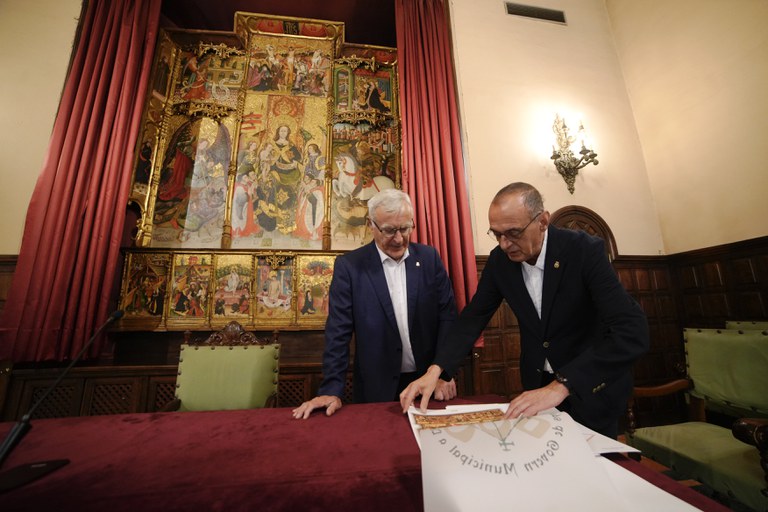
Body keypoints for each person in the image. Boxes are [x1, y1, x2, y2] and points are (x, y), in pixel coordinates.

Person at [400, 182, 649, 438]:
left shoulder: (583, 250)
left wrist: (563, 384)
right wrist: (436, 370)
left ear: (542, 221)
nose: (504, 244)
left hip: (589, 390)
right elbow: (473, 318)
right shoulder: (500, 262)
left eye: (513, 233)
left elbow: (632, 330)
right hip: (537, 390)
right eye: (497, 234)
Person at [293, 189, 458, 419]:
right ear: (370, 224)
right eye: (389, 230)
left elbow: (448, 318)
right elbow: (338, 332)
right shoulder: (350, 267)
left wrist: (443, 371)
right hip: (377, 388)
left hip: (430, 383)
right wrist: (331, 389)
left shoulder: (429, 258)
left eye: (405, 228)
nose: (399, 239)